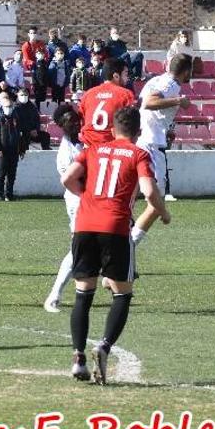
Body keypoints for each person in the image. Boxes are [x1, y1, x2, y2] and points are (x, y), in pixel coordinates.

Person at [61, 107, 170, 384]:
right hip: (115, 227)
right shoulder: (138, 154)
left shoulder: (94, 150)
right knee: (122, 294)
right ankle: (104, 346)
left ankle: (78, 359)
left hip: (84, 225)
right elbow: (148, 191)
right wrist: (164, 213)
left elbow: (67, 178)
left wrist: (85, 198)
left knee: (83, 295)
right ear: (139, 131)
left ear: (112, 129)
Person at [131, 54, 193, 238]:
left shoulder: (156, 80)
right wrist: (178, 101)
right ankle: (130, 244)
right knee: (157, 204)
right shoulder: (171, 84)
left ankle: (121, 237)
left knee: (129, 194)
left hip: (141, 140)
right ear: (186, 71)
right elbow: (149, 103)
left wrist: (166, 127)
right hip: (151, 145)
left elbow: (141, 104)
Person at [44, 104, 84, 313]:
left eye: (76, 119)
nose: (75, 123)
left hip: (94, 198)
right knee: (78, 248)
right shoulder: (65, 153)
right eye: (69, 121)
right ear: (61, 126)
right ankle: (55, 294)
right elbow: (70, 182)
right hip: (78, 201)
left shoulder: (87, 139)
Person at [78, 58, 138, 147]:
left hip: (90, 148)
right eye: (125, 73)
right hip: (112, 148)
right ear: (116, 76)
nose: (127, 78)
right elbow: (131, 124)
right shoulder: (125, 94)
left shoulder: (88, 94)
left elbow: (81, 121)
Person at [0, 92, 23, 201]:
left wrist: (21, 150)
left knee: (12, 174)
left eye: (10, 106)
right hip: (3, 151)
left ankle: (9, 194)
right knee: (1, 174)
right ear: (2, 107)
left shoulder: (16, 119)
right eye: (6, 107)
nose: (8, 108)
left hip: (14, 150)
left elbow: (20, 135)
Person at [15, 87, 50, 151]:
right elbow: (17, 123)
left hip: (34, 131)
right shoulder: (15, 108)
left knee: (46, 135)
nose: (24, 96)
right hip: (22, 132)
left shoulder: (32, 106)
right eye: (22, 95)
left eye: (25, 95)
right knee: (23, 138)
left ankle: (46, 151)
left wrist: (36, 129)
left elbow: (37, 119)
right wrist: (29, 131)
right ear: (18, 95)